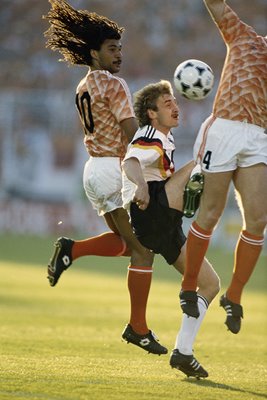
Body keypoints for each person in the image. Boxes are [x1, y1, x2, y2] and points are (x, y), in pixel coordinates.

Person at [43, 0, 167, 356]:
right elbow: (132, 134)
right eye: (112, 49)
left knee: (128, 245)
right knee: (144, 252)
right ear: (94, 52)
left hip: (94, 170)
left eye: (120, 48)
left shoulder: (83, 85)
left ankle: (72, 249)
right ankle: (138, 328)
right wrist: (155, 166)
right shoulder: (115, 85)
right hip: (113, 169)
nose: (119, 55)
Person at [122, 80, 220, 378]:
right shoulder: (151, 134)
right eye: (167, 104)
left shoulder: (165, 137)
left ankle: (183, 351)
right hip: (152, 212)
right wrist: (140, 186)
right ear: (151, 113)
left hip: (166, 224)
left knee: (211, 283)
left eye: (175, 102)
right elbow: (131, 160)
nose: (176, 107)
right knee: (206, 156)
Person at [180, 0, 267, 334]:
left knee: (258, 220)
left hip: (258, 137)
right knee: (211, 212)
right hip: (226, 128)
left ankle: (234, 295)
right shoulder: (244, 37)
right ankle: (189, 286)